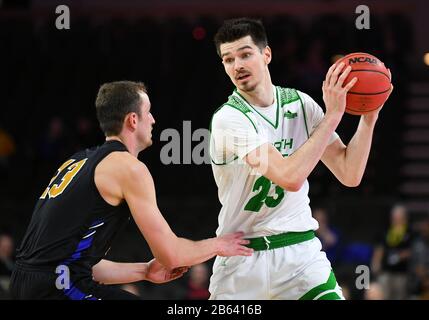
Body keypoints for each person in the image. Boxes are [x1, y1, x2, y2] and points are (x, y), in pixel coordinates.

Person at [10, 81, 253, 300]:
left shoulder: (75, 161)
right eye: (148, 112)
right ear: (133, 120)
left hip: (25, 283)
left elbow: (69, 262)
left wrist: (144, 271)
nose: (154, 120)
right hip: (57, 286)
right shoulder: (129, 168)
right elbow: (172, 255)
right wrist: (219, 244)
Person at [209, 18, 392, 300]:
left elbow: (349, 173)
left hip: (300, 254)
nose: (238, 65)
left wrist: (368, 120)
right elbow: (290, 178)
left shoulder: (301, 104)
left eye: (245, 54)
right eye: (228, 59)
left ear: (266, 54)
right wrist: (333, 115)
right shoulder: (228, 119)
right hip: (243, 259)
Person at [371, 204, 412, 300]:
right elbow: (379, 248)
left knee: (400, 296)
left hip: (401, 272)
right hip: (385, 271)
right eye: (394, 218)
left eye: (398, 218)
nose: (396, 220)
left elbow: (411, 250)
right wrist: (375, 263)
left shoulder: (409, 232)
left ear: (404, 218)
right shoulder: (386, 231)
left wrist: (399, 256)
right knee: (383, 295)